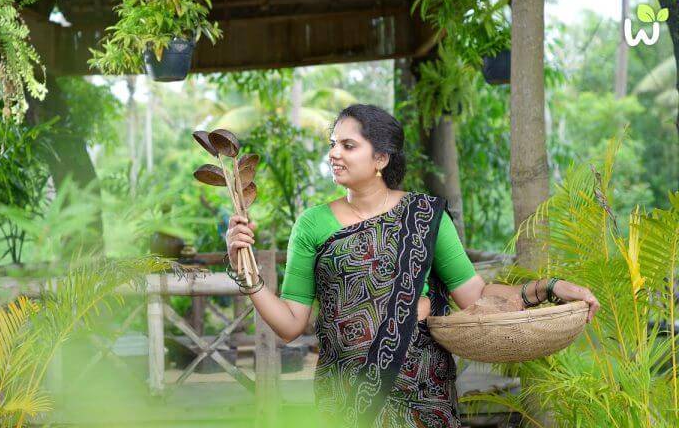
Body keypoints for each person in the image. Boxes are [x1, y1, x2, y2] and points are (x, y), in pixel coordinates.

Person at [225, 104, 600, 428]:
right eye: (332, 144)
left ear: (381, 158)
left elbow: (476, 297)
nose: (334, 154)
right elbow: (290, 325)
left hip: (423, 391)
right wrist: (247, 274)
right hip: (347, 396)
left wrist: (550, 288)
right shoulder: (312, 224)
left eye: (348, 145)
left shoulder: (424, 216)